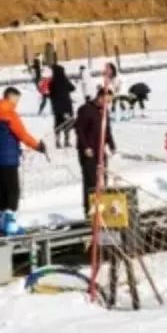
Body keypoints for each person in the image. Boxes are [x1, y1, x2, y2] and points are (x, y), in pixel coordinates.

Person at [0, 87, 47, 236]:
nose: (17, 104)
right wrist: (38, 146)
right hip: (9, 160)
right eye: (16, 100)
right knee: (13, 191)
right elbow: (23, 135)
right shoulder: (10, 115)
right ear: (10, 98)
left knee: (2, 191)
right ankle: (10, 224)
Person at [74, 88, 116, 219]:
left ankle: (101, 207)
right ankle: (89, 211)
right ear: (99, 97)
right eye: (106, 101)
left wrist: (111, 144)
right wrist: (85, 147)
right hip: (88, 152)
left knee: (103, 179)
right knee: (91, 181)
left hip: (100, 150)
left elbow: (107, 130)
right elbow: (79, 130)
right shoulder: (85, 109)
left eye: (109, 102)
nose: (107, 104)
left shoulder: (104, 112)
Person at [47, 64, 76, 149]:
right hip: (66, 106)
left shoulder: (52, 82)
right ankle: (66, 141)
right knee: (67, 122)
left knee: (57, 123)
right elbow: (73, 88)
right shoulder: (65, 80)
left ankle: (57, 141)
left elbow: (50, 93)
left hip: (56, 108)